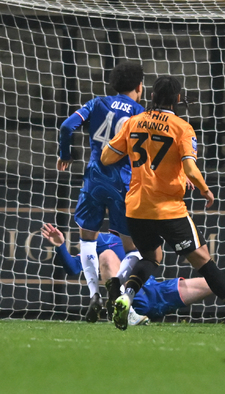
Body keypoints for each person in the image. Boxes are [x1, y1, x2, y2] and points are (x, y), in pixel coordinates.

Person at [101, 75, 225, 334]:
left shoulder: (133, 122)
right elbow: (190, 167)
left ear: (152, 97)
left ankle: (126, 296)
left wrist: (134, 150)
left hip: (136, 207)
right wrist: (204, 189)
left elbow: (107, 156)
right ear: (178, 99)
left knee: (151, 257)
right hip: (168, 208)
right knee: (205, 262)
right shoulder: (182, 127)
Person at [41, 223, 225, 321]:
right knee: (107, 257)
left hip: (154, 291)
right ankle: (126, 311)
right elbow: (74, 268)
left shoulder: (133, 234)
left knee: (210, 282)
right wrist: (61, 246)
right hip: (131, 298)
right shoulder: (97, 244)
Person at [57, 62, 145, 322]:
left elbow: (66, 127)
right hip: (123, 183)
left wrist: (66, 154)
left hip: (93, 179)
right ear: (139, 87)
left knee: (87, 240)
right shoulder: (140, 113)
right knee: (136, 250)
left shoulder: (96, 103)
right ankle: (118, 287)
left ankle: (94, 293)